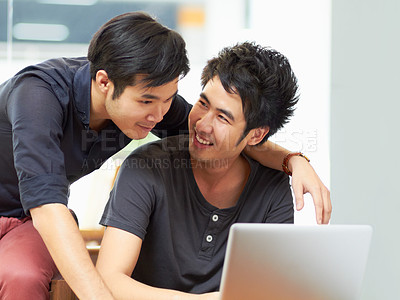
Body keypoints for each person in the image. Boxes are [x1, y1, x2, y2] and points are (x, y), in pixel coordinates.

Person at [0, 12, 330, 300]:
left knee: (23, 277)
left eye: (168, 99)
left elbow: (224, 138)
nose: (159, 115)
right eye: (147, 102)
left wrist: (293, 160)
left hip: (22, 221)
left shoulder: (147, 102)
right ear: (104, 82)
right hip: (37, 210)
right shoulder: (37, 96)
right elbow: (47, 206)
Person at [97, 42, 318, 299]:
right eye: (202, 104)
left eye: (223, 118)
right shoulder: (145, 167)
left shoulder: (272, 188)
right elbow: (109, 279)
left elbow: (271, 289)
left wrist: (295, 160)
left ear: (256, 134)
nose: (202, 124)